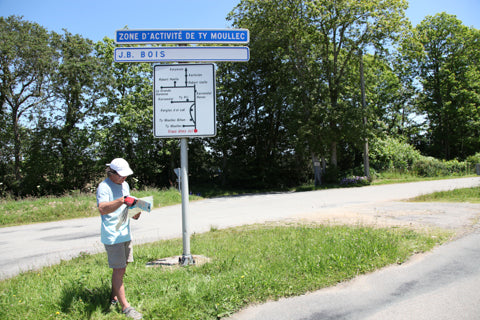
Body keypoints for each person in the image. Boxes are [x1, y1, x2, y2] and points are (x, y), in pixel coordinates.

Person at [96, 158, 143, 319]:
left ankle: (114, 296)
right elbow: (102, 209)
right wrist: (122, 200)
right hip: (112, 235)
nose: (124, 178)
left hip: (125, 232)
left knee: (122, 268)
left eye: (126, 176)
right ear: (112, 173)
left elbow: (127, 207)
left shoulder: (125, 185)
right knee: (119, 269)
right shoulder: (104, 187)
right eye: (121, 175)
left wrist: (136, 210)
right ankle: (126, 308)